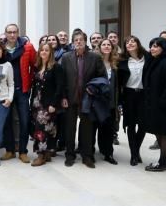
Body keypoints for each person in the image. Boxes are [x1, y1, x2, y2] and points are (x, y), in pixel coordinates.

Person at [60, 30, 106, 168]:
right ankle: (69, 155)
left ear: (85, 42)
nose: (78, 42)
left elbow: (102, 77)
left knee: (87, 129)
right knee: (70, 128)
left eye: (81, 39)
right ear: (73, 43)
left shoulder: (95, 58)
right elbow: (62, 80)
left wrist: (94, 89)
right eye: (76, 40)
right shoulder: (66, 57)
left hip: (88, 99)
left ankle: (87, 156)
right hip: (70, 98)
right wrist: (63, 97)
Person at [143, 37, 166, 172]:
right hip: (155, 105)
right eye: (151, 46)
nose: (152, 48)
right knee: (159, 132)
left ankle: (163, 162)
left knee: (163, 133)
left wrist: (161, 104)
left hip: (164, 107)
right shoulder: (156, 61)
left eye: (156, 46)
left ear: (164, 48)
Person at [1, 24, 35, 164]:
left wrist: (30, 82)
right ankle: (9, 150)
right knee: (6, 121)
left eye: (15, 32)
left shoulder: (27, 47)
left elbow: (35, 65)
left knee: (24, 121)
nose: (12, 35)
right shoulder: (1, 48)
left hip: (22, 90)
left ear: (18, 33)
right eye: (9, 32)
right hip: (5, 91)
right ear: (6, 34)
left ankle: (22, 151)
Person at [29, 43, 64, 166]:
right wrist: (32, 102)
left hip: (48, 104)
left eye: (46, 50)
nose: (44, 52)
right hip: (37, 103)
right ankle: (47, 153)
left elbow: (60, 87)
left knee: (42, 129)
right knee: (43, 128)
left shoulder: (56, 67)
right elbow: (35, 86)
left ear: (51, 53)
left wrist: (54, 104)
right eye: (42, 50)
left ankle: (41, 154)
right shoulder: (37, 67)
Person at [118, 35, 147, 166]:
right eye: (127, 43)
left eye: (132, 41)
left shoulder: (147, 59)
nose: (130, 44)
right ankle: (134, 155)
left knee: (143, 125)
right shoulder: (122, 61)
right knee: (130, 125)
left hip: (144, 95)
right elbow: (118, 82)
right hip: (129, 95)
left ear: (138, 43)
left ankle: (136, 150)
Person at [93, 39, 119, 164]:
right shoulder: (95, 62)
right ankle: (89, 152)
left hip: (111, 102)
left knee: (108, 129)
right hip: (97, 100)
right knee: (94, 128)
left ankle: (108, 153)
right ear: (99, 47)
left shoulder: (115, 63)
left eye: (109, 44)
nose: (107, 46)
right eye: (104, 44)